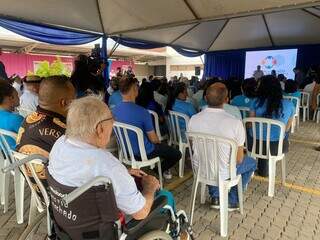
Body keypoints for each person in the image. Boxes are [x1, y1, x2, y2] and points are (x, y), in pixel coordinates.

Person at [188, 83, 256, 210]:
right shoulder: (235, 123)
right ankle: (232, 200)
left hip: (201, 168)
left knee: (211, 159)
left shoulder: (193, 119)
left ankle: (216, 196)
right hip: (223, 171)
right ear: (226, 100)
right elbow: (239, 159)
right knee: (251, 162)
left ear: (206, 99)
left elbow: (193, 147)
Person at [113, 76, 181, 179]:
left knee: (162, 148)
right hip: (145, 152)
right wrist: (160, 144)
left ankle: (157, 168)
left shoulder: (114, 110)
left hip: (126, 151)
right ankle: (156, 171)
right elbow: (153, 139)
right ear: (134, 89)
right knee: (176, 154)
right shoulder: (143, 112)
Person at [16, 75, 76, 180]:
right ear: (64, 103)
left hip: (34, 184)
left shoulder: (27, 119)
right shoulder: (64, 131)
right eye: (73, 100)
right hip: (59, 192)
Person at [249, 75, 294, 176]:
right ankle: (265, 167)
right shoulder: (289, 104)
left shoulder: (255, 102)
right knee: (284, 133)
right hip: (277, 147)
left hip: (255, 145)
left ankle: (262, 168)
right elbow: (286, 129)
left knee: (252, 131)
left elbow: (250, 124)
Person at [0, 80, 23, 149]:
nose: (19, 98)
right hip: (22, 157)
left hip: (4, 157)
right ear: (11, 98)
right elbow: (32, 141)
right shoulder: (16, 119)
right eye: (17, 95)